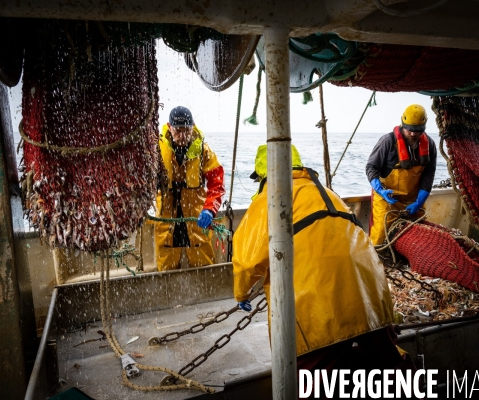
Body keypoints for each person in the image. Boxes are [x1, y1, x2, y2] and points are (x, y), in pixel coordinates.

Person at [232, 144, 414, 397]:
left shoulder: (269, 200)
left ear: (263, 176)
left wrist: (241, 294)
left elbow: (247, 260)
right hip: (368, 291)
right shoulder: (327, 192)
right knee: (390, 361)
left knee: (308, 377)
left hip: (319, 303)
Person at [154, 106, 225, 270]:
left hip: (197, 218)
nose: (182, 136)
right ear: (169, 127)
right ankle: (168, 293)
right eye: (177, 130)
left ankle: (206, 292)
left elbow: (217, 184)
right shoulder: (156, 150)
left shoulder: (204, 150)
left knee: (204, 264)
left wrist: (209, 209)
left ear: (192, 127)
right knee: (166, 264)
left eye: (186, 130)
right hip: (167, 217)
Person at [366, 104, 437, 246]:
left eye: (417, 130)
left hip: (413, 201)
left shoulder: (430, 145)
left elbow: (428, 176)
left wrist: (419, 202)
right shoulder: (387, 142)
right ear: (402, 124)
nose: (413, 134)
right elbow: (371, 167)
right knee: (380, 238)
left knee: (419, 239)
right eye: (409, 129)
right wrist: (380, 190)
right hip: (387, 200)